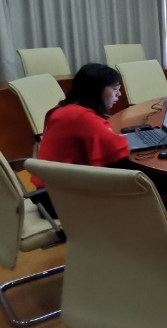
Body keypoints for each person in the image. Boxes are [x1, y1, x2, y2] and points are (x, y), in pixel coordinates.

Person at [31, 63, 131, 216]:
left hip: (48, 191)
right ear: (96, 90)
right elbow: (117, 149)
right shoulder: (80, 116)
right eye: (115, 89)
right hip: (59, 199)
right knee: (134, 175)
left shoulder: (65, 108)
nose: (119, 94)